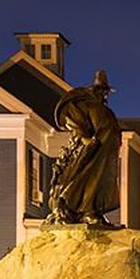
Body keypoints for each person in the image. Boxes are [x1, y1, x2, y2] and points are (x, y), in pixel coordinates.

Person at [46, 70, 121, 226]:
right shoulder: (83, 104)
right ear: (98, 90)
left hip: (106, 149)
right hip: (95, 148)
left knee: (101, 179)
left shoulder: (102, 109)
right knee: (88, 177)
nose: (105, 96)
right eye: (103, 91)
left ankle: (93, 209)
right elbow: (76, 124)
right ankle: (85, 209)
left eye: (106, 92)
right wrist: (86, 140)